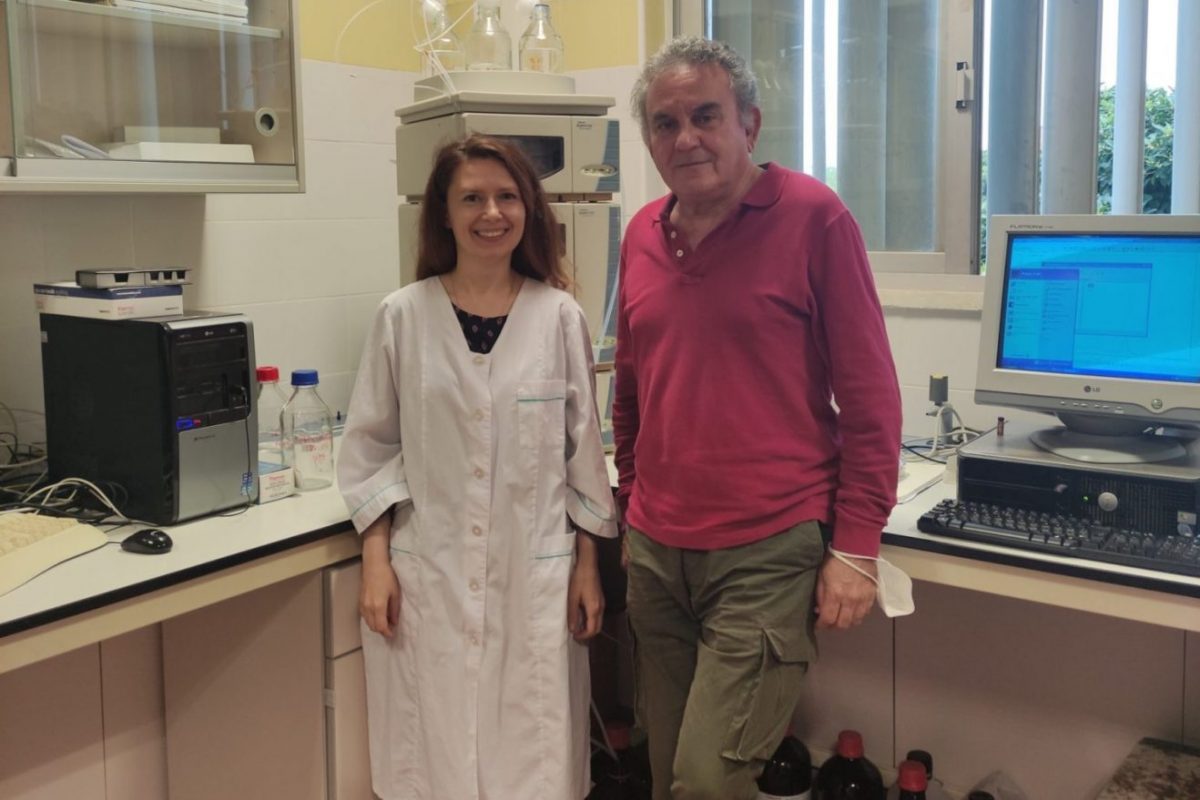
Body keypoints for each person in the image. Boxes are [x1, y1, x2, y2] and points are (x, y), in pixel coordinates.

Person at [614, 36, 903, 800]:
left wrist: (857, 547)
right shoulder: (641, 233)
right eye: (664, 123)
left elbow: (871, 397)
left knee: (708, 780)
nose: (686, 139)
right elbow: (632, 390)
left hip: (766, 548)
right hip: (656, 551)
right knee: (669, 768)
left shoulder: (815, 217)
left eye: (705, 116)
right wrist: (628, 506)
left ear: (750, 122)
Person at [338, 134, 617, 800]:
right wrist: (375, 564)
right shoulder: (402, 317)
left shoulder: (559, 317)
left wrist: (586, 569)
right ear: (443, 213)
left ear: (528, 210)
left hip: (536, 576)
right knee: (431, 761)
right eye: (471, 198)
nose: (491, 213)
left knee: (533, 762)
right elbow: (372, 450)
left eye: (506, 196)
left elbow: (583, 460)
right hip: (425, 576)